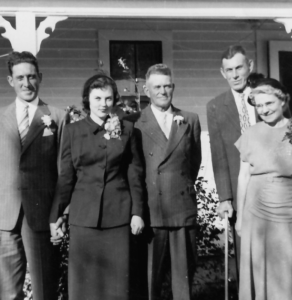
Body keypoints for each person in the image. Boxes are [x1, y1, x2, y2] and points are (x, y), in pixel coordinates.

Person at [49, 74, 145, 300]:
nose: (104, 104)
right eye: (98, 98)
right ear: (87, 100)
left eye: (108, 98)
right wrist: (56, 215)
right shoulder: (73, 132)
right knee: (84, 287)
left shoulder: (128, 130)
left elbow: (135, 174)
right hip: (84, 219)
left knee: (117, 287)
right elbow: (66, 178)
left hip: (118, 217)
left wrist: (137, 212)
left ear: (115, 100)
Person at [0, 51, 66, 300]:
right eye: (19, 78)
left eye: (31, 77)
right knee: (7, 293)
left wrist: (59, 214)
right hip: (5, 218)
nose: (26, 84)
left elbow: (63, 171)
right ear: (10, 81)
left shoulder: (57, 117)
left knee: (44, 291)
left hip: (42, 216)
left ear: (40, 77)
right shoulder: (0, 118)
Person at [134, 64, 201, 300]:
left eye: (167, 86)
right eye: (157, 87)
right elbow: (134, 170)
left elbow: (192, 165)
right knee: (150, 282)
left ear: (173, 87)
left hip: (182, 209)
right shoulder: (135, 122)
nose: (163, 91)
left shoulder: (189, 119)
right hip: (152, 212)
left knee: (183, 284)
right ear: (146, 90)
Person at [235, 76, 292, 299]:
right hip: (255, 213)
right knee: (258, 269)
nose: (264, 109)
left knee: (285, 271)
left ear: (282, 101)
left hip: (288, 212)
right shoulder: (251, 134)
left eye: (269, 103)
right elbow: (243, 177)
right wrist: (240, 218)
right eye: (259, 105)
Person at [206, 45, 256, 277]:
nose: (235, 75)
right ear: (222, 73)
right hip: (239, 191)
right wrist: (225, 197)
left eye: (239, 68)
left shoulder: (268, 97)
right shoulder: (215, 107)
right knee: (244, 254)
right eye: (229, 70)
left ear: (250, 66)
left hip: (271, 187)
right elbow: (219, 156)